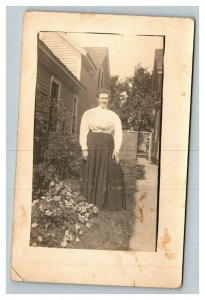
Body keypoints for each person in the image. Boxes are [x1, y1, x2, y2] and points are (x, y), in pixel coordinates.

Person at [79, 89, 126, 210]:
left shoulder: (113, 115)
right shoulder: (89, 113)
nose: (104, 100)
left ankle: (107, 203)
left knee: (110, 170)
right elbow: (83, 131)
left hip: (107, 145)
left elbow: (118, 133)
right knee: (93, 169)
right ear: (97, 99)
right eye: (102, 98)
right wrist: (84, 148)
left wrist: (116, 150)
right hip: (93, 143)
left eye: (106, 98)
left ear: (109, 99)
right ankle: (89, 200)